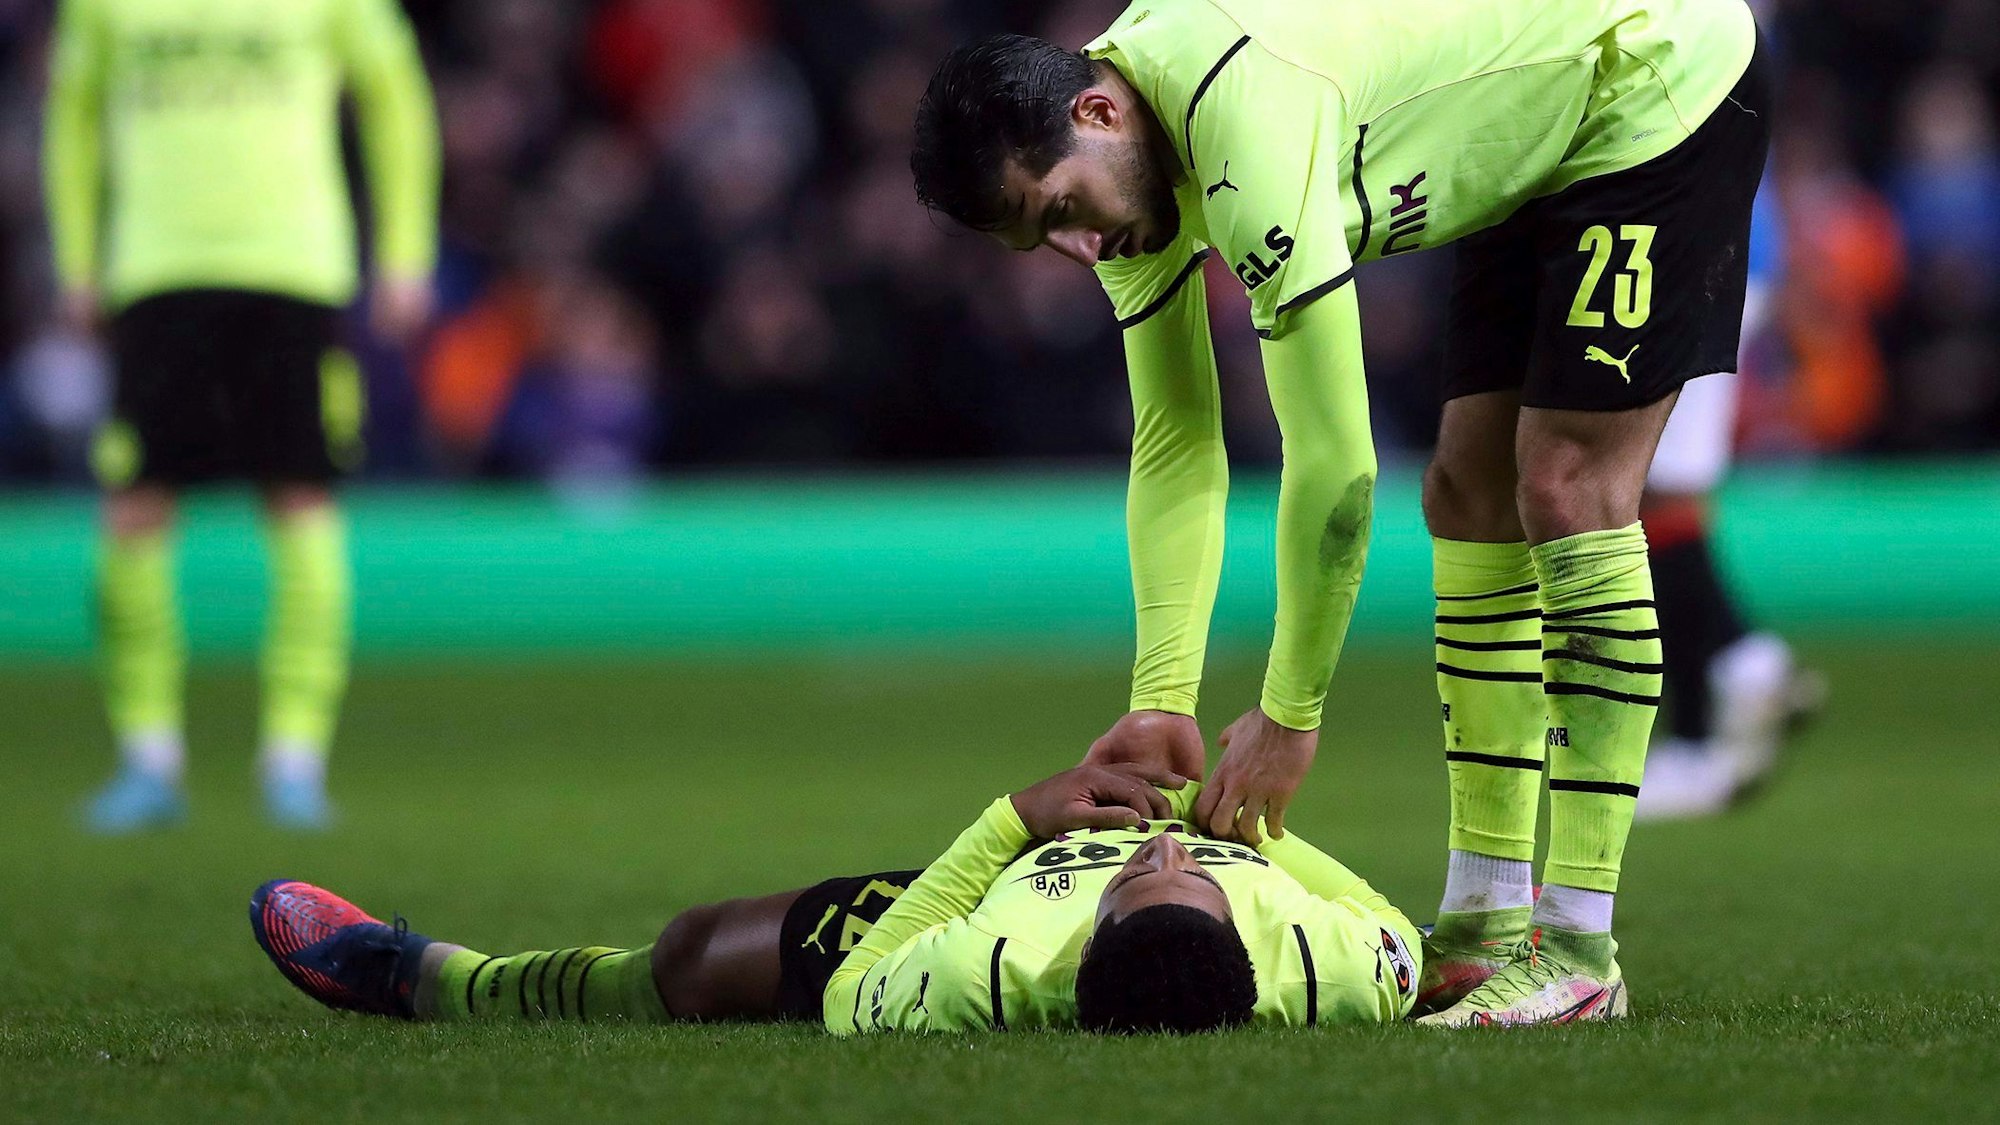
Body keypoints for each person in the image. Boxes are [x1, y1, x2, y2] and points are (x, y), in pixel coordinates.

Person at [911, 0, 1768, 1025]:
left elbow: (1333, 463)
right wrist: (1159, 699)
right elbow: (1179, 442)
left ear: (1096, 110)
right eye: (1041, 239)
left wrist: (1288, 714)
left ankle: (1579, 949)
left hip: (1643, 80)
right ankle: (1485, 927)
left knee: (1565, 485)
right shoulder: (1122, 164)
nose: (1078, 247)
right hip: (1531, 121)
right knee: (1468, 496)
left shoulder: (1244, 131)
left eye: (1057, 210)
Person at [44, 0, 441, 831]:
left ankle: (295, 759)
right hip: (155, 267)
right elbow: (71, 115)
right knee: (136, 504)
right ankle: (148, 758)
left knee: (300, 496)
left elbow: (395, 93)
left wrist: (406, 251)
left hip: (291, 264)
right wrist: (77, 256)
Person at [249, 765, 1424, 1033]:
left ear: (1086, 944)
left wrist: (1015, 821)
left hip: (989, 887)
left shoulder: (990, 974)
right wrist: (1233, 820)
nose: (1156, 860)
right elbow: (1390, 924)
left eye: (1142, 884)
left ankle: (428, 976)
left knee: (696, 957)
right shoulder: (1330, 963)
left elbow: (860, 982)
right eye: (1185, 880)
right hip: (1168, 825)